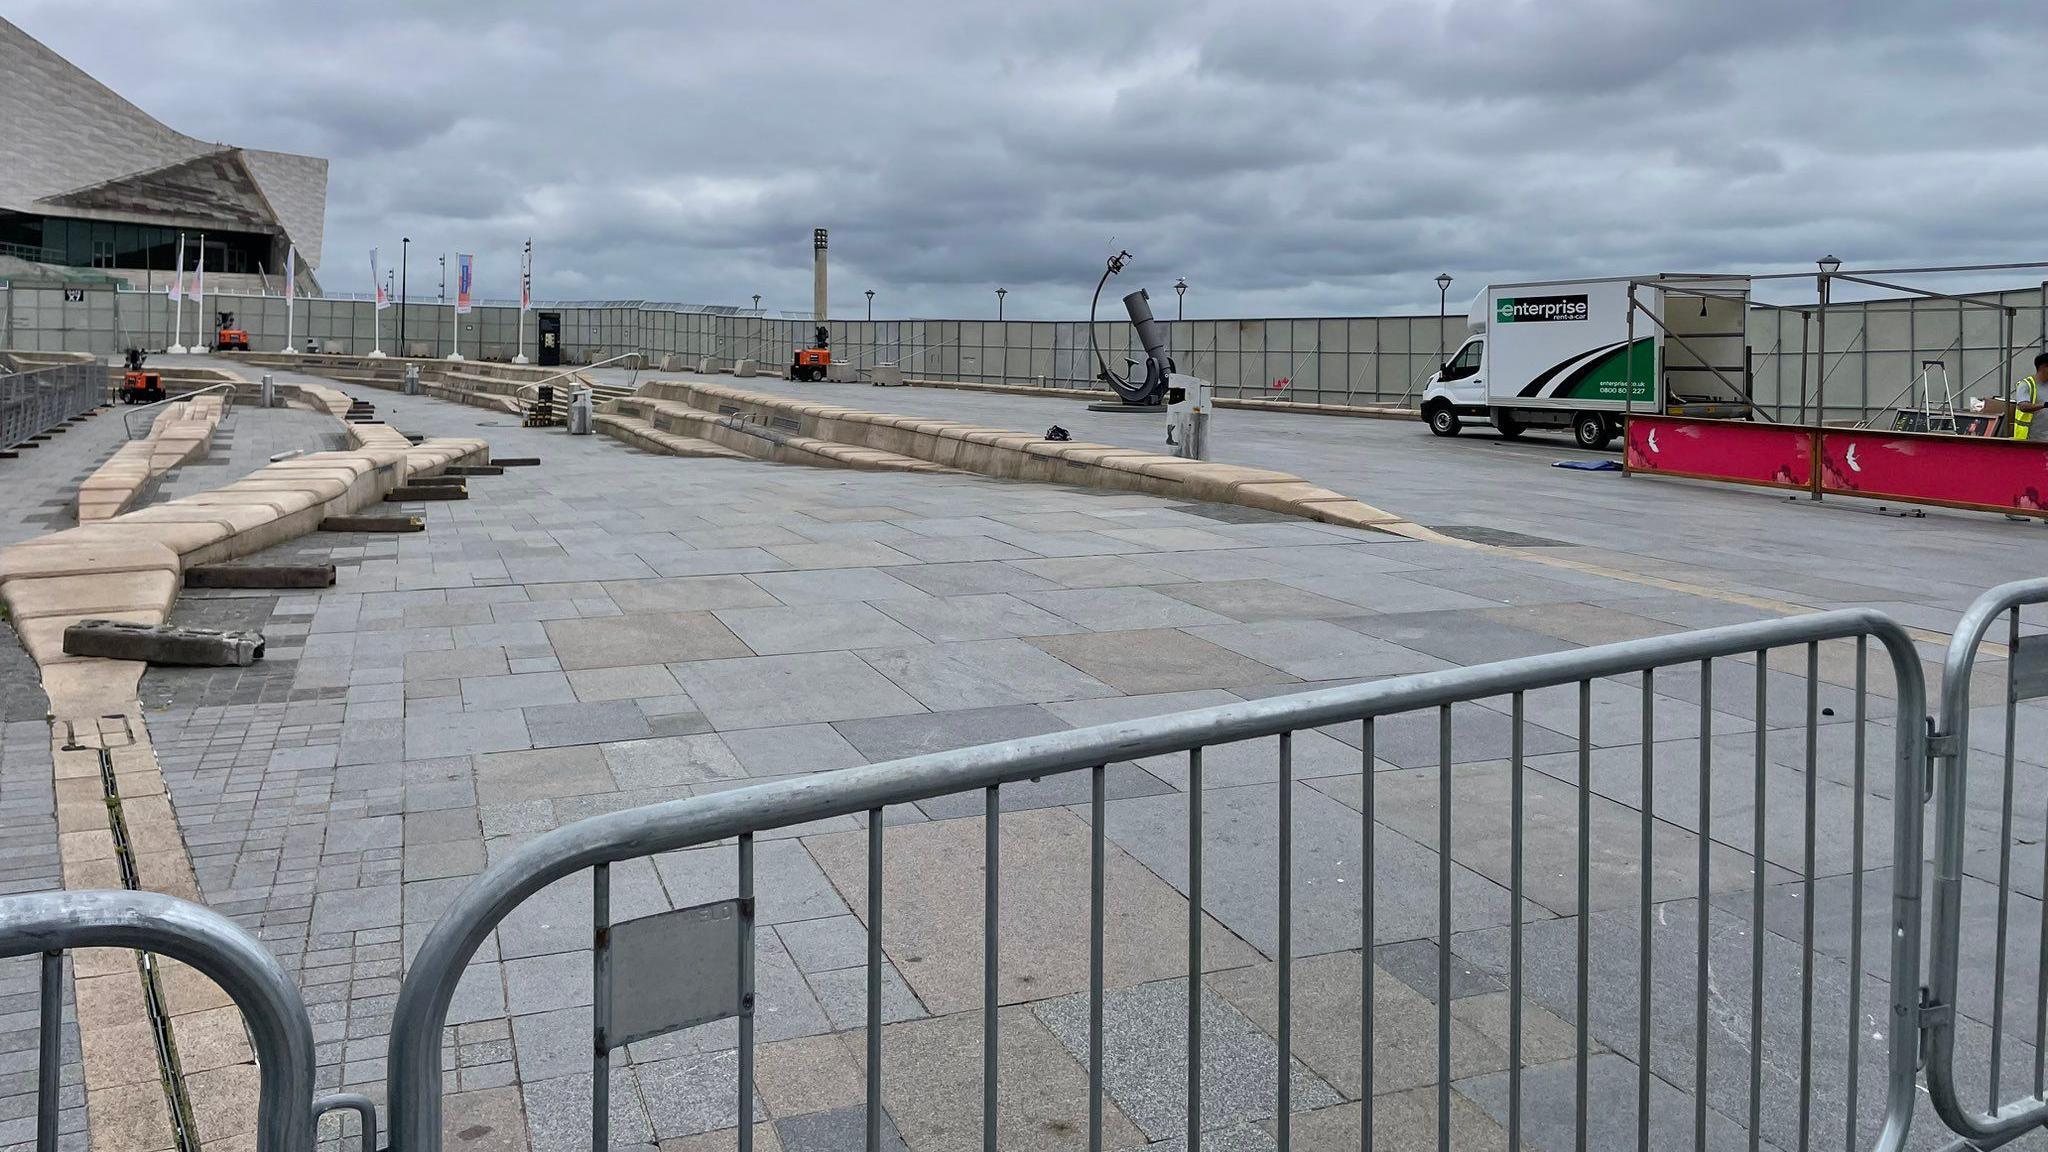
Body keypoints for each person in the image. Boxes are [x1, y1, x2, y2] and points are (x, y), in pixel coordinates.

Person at [2011, 353, 2048, 441]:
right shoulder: (2026, 385)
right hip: (2030, 438)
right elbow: (2023, 406)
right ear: (2044, 367)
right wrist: (2045, 404)